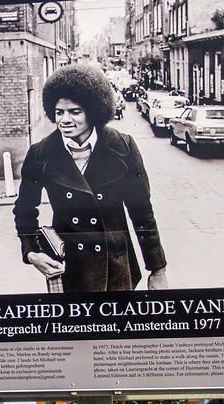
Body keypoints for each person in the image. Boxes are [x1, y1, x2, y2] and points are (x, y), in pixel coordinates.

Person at [14, 63, 168, 293]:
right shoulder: (40, 154)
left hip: (116, 266)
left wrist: (158, 270)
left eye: (74, 112)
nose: (64, 119)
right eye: (59, 112)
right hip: (69, 267)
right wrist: (31, 251)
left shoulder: (123, 147)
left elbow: (142, 212)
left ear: (93, 111)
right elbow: (25, 210)